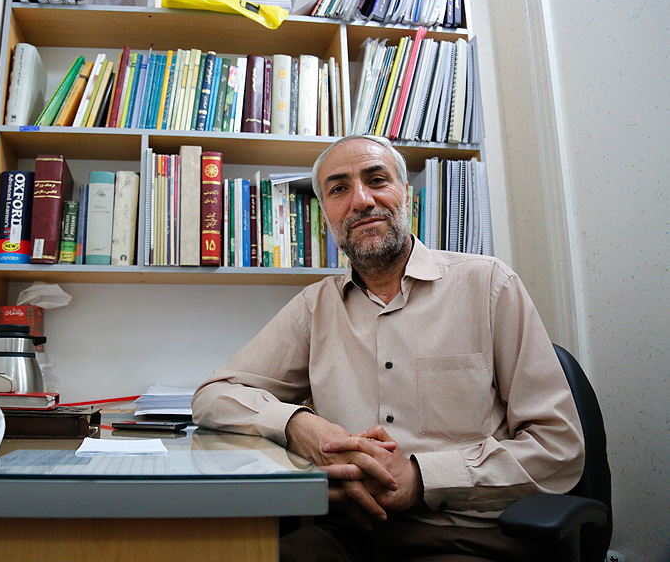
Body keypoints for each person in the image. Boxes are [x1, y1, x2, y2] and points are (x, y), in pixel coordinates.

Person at [191, 135, 585, 561]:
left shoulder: (489, 285)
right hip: (349, 533)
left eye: (377, 180)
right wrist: (299, 426)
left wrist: (420, 479)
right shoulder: (315, 306)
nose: (361, 201)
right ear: (326, 215)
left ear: (406, 194)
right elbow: (214, 396)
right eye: (339, 189)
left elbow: (558, 447)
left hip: (469, 535)